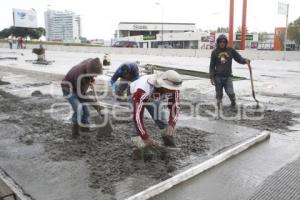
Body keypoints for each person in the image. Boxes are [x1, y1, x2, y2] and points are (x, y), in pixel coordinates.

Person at [130, 70, 182, 150]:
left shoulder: (174, 89)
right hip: (137, 94)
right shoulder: (142, 90)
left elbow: (175, 107)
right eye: (169, 89)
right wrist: (145, 137)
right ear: (162, 85)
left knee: (164, 124)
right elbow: (137, 117)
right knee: (139, 136)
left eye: (173, 90)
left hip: (154, 97)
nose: (172, 92)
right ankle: (137, 143)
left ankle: (168, 144)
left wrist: (172, 124)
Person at [61, 58, 103, 137]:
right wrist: (96, 105)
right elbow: (81, 96)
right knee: (79, 109)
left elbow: (82, 93)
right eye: (95, 74)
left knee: (86, 112)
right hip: (69, 89)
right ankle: (75, 132)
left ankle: (85, 130)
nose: (96, 76)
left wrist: (92, 78)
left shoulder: (91, 63)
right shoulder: (79, 74)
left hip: (79, 88)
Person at [209, 34, 250, 108]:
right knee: (219, 94)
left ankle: (233, 102)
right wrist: (211, 77)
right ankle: (219, 106)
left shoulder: (230, 50)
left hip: (228, 76)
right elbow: (212, 66)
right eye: (220, 41)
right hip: (218, 76)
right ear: (218, 42)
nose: (222, 43)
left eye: (224, 41)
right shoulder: (214, 52)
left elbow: (239, 58)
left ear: (226, 42)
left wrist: (245, 61)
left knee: (230, 92)